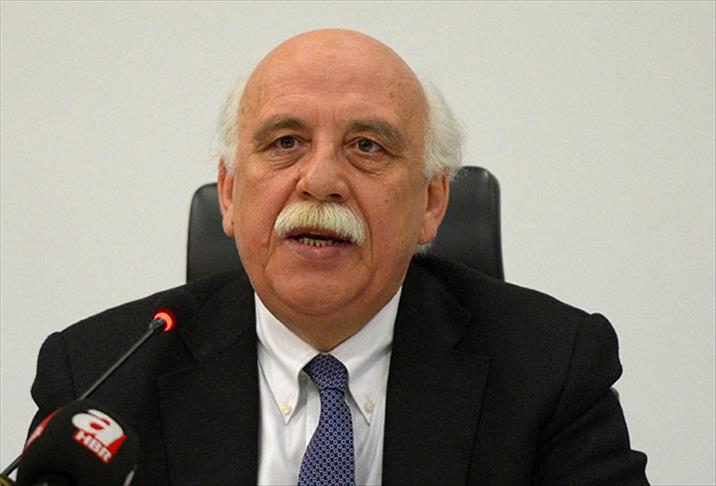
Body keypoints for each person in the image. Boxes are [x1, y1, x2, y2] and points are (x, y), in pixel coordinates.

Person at [28, 29, 649, 485]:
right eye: (286, 141)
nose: (321, 180)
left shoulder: (552, 370)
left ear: (433, 202)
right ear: (230, 193)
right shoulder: (100, 379)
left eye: (368, 146)